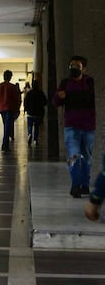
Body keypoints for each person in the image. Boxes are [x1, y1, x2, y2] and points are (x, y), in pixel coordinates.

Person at [53, 55, 96, 198]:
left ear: (84, 68)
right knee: (73, 156)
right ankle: (75, 185)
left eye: (77, 66)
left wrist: (68, 96)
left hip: (88, 127)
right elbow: (56, 101)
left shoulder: (89, 82)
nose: (74, 68)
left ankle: (84, 185)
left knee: (86, 158)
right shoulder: (65, 83)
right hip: (71, 127)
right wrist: (60, 97)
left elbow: (88, 98)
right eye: (71, 66)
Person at [0, 70, 21, 152]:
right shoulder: (12, 87)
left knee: (6, 125)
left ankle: (5, 145)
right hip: (10, 109)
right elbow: (17, 100)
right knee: (7, 127)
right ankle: (5, 145)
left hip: (1, 109)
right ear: (10, 77)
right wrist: (17, 110)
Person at [23, 81, 47, 147]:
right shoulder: (41, 93)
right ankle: (35, 140)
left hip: (30, 113)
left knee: (29, 125)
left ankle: (29, 134)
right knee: (36, 127)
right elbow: (45, 102)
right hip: (38, 113)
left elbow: (25, 102)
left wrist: (26, 109)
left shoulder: (29, 93)